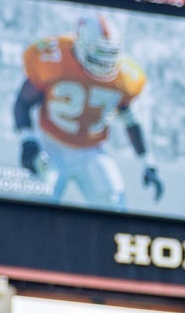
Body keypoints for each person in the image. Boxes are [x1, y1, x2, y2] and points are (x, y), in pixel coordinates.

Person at [13, 11, 164, 212]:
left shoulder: (125, 76)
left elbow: (130, 120)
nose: (105, 62)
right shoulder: (54, 57)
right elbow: (23, 102)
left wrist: (148, 162)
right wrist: (28, 140)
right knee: (35, 210)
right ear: (80, 45)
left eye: (110, 54)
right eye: (100, 54)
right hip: (49, 146)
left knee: (115, 206)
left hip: (91, 152)